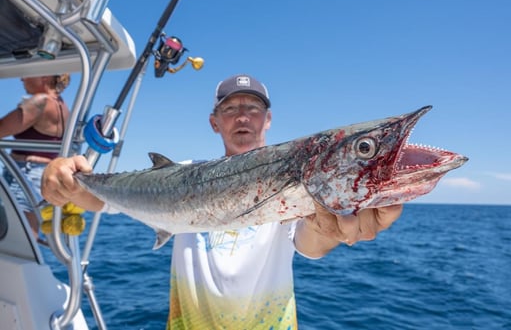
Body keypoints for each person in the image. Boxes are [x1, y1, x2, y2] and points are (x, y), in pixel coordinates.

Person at [41, 74, 403, 329]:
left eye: (253, 107)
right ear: (215, 123)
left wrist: (334, 231)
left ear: (268, 119)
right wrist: (67, 182)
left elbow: (310, 241)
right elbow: (100, 201)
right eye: (231, 109)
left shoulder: (297, 179)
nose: (243, 116)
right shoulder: (180, 173)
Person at [1, 74, 70, 236]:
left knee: (17, 229)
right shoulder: (62, 106)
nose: (22, 78)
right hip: (42, 174)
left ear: (44, 76)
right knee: (26, 230)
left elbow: (2, 127)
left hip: (25, 172)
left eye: (28, 73)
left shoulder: (41, 101)